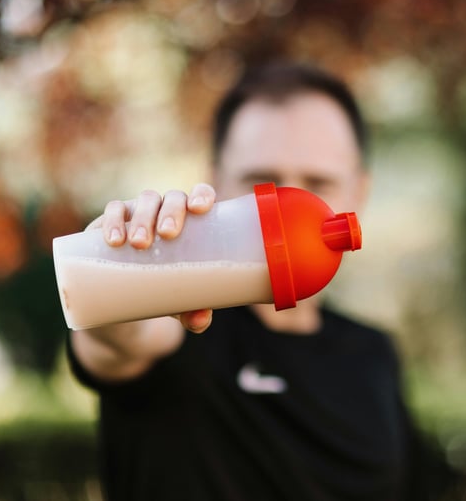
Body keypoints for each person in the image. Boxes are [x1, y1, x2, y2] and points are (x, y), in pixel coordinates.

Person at [67, 62, 433, 500]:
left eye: (318, 182)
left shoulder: (372, 354)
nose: (287, 204)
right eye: (263, 180)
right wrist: (115, 262)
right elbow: (122, 336)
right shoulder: (178, 321)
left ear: (358, 195)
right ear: (215, 182)